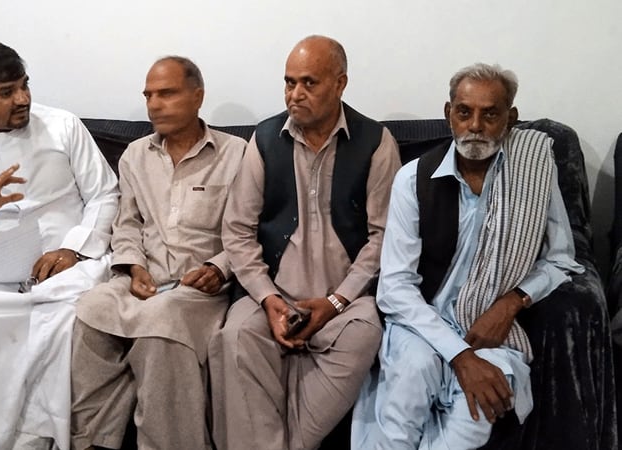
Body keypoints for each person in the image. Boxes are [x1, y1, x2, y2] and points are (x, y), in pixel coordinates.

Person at [351, 63, 584, 450]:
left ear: (510, 119)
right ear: (449, 115)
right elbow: (394, 287)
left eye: (490, 114)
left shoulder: (535, 171)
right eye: (464, 112)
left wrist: (512, 302)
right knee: (402, 411)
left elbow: (561, 257)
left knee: (472, 424)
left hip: (491, 330)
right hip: (422, 325)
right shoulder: (413, 179)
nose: (475, 125)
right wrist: (459, 355)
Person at [208, 35, 402, 450]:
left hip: (346, 302)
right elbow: (238, 231)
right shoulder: (263, 140)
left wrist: (337, 301)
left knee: (366, 333)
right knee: (234, 337)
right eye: (289, 82)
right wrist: (268, 299)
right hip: (273, 296)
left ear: (340, 83)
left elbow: (384, 236)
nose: (295, 94)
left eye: (309, 83)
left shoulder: (376, 143)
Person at [0, 42, 119, 450]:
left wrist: (74, 249)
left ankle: (43, 438)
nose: (23, 99)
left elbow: (105, 195)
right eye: (7, 91)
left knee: (70, 320)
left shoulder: (63, 126)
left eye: (25, 86)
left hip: (68, 261)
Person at [70, 56, 246, 450]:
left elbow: (246, 233)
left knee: (160, 324)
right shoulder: (135, 155)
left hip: (199, 291)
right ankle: (93, 441)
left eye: (166, 93)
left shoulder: (237, 154)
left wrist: (218, 268)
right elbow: (127, 223)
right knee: (91, 310)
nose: (154, 104)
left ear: (197, 96)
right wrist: (132, 266)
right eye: (148, 95)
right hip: (143, 281)